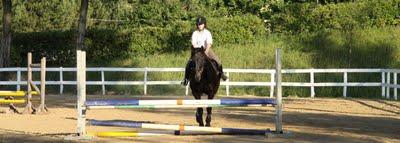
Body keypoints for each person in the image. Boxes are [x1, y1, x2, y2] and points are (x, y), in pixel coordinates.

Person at [181, 16, 228, 86]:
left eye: (201, 24)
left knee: (217, 60)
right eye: (199, 24)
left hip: (207, 50)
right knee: (189, 63)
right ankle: (186, 79)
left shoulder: (207, 33)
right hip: (197, 51)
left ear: (204, 24)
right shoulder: (195, 33)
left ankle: (221, 74)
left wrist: (205, 51)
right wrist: (199, 51)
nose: (200, 25)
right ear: (197, 25)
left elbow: (209, 43)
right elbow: (193, 44)